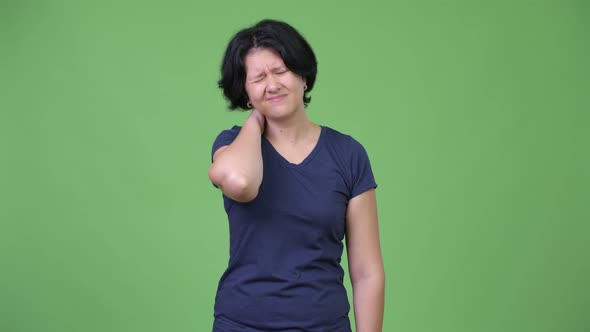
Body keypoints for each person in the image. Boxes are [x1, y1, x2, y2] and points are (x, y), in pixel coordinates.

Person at [209, 19, 385, 332]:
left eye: (280, 71)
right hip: (242, 324)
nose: (272, 84)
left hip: (324, 325)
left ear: (303, 75)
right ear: (246, 93)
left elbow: (367, 272)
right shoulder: (231, 145)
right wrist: (255, 121)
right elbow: (241, 183)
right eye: (258, 78)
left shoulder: (348, 154)